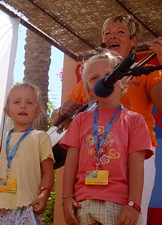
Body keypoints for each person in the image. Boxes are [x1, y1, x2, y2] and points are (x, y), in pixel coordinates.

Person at [51, 14, 162, 225]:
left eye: (121, 32)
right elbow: (57, 119)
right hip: (95, 156)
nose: (113, 36)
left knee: (134, 216)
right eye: (108, 33)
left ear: (133, 42)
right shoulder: (94, 73)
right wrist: (61, 110)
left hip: (137, 152)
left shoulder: (145, 73)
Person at [60, 51, 153, 225]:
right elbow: (71, 161)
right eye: (95, 78)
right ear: (89, 89)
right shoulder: (80, 120)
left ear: (123, 81)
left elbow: (136, 165)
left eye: (109, 75)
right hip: (83, 204)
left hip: (120, 206)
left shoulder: (135, 120)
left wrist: (133, 204)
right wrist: (66, 198)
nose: (103, 80)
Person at [0, 83, 54, 225]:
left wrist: (44, 195)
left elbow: (48, 172)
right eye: (17, 102)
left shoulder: (41, 137)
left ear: (38, 111)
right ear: (7, 111)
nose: (23, 106)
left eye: (29, 102)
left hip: (27, 209)